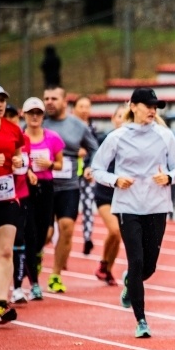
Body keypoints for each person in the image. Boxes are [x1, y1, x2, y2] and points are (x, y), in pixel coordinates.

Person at [91, 88, 175, 338]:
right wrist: (115, 180)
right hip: (128, 207)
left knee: (149, 267)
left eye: (155, 106)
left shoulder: (165, 136)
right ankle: (141, 320)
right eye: (147, 105)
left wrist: (168, 177)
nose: (152, 110)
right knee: (136, 261)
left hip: (157, 206)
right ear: (132, 106)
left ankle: (129, 285)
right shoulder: (117, 137)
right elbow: (97, 169)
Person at [42, 85, 98, 293]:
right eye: (46, 98)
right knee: (44, 234)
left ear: (65, 102)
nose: (49, 102)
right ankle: (36, 257)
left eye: (54, 98)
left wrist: (91, 166)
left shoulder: (78, 126)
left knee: (66, 228)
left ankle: (55, 274)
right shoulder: (39, 122)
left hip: (69, 186)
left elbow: (95, 149)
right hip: (43, 186)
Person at [22, 97, 65, 300]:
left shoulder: (53, 138)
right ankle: (34, 284)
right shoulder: (20, 138)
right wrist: (27, 170)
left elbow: (60, 164)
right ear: (25, 115)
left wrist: (48, 163)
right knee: (29, 234)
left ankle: (34, 259)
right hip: (25, 189)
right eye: (31, 113)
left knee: (44, 234)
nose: (35, 117)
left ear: (43, 116)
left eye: (38, 113)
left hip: (46, 188)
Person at [0, 84, 25, 324]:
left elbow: (20, 155)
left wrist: (18, 162)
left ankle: (1, 304)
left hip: (6, 197)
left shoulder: (14, 129)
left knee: (5, 251)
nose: (0, 105)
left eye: (2, 100)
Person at [4, 101, 40, 305]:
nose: (10, 120)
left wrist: (25, 168)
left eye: (13, 117)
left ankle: (17, 287)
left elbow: (23, 163)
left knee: (18, 242)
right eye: (7, 117)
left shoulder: (22, 137)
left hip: (19, 195)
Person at [93, 104, 127, 286]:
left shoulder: (132, 142)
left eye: (125, 116)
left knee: (118, 235)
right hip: (104, 193)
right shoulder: (104, 140)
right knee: (114, 231)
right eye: (119, 116)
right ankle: (103, 264)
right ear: (113, 119)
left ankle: (106, 268)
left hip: (122, 195)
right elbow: (94, 157)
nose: (122, 119)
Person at [72, 95, 97, 255]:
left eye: (87, 106)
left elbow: (96, 150)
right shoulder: (68, 126)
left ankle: (87, 238)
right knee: (69, 210)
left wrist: (91, 167)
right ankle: (63, 240)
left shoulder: (93, 128)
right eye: (81, 106)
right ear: (74, 109)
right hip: (69, 175)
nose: (84, 110)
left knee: (88, 206)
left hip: (86, 173)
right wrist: (76, 152)